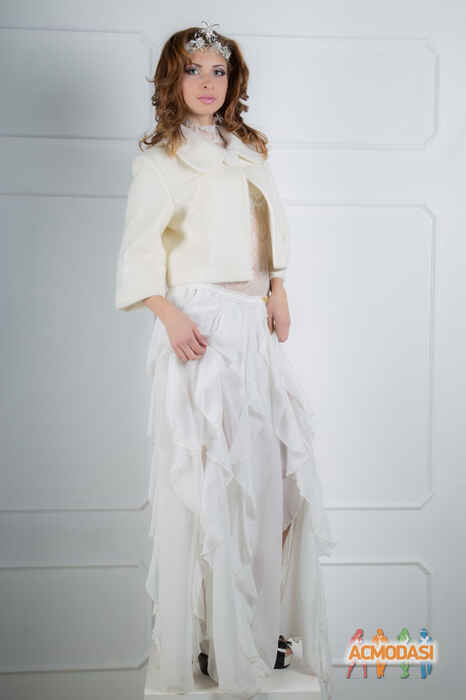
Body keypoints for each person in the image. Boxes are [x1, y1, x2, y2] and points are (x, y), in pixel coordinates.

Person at [115, 20, 337, 700]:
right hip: (200, 327)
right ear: (173, 79)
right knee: (213, 485)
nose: (208, 83)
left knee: (271, 481)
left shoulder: (248, 149)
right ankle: (216, 641)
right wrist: (169, 314)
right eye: (194, 70)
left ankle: (255, 629)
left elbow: (267, 226)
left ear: (232, 80)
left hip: (251, 323)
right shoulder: (160, 161)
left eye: (219, 70)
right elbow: (139, 252)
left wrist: (278, 288)